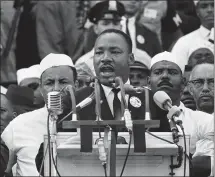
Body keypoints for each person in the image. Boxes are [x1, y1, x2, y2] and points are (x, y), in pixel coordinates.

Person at [1, 53, 77, 176]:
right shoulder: (19, 124)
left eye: (63, 82)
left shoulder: (87, 122)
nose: (56, 89)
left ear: (76, 86)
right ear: (41, 88)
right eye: (49, 83)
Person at [148, 51, 214, 177]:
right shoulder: (133, 118)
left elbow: (209, 163)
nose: (165, 76)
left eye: (172, 72)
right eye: (158, 72)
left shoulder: (204, 121)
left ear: (184, 83)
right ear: (148, 81)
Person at [75, 0, 125, 70]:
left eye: (116, 23)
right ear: (96, 28)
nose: (111, 27)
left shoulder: (136, 58)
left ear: (121, 27)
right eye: (105, 24)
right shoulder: (84, 63)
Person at [172, 0, 214, 67]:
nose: (210, 10)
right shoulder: (184, 43)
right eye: (204, 6)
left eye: (214, 5)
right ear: (197, 11)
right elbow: (177, 73)